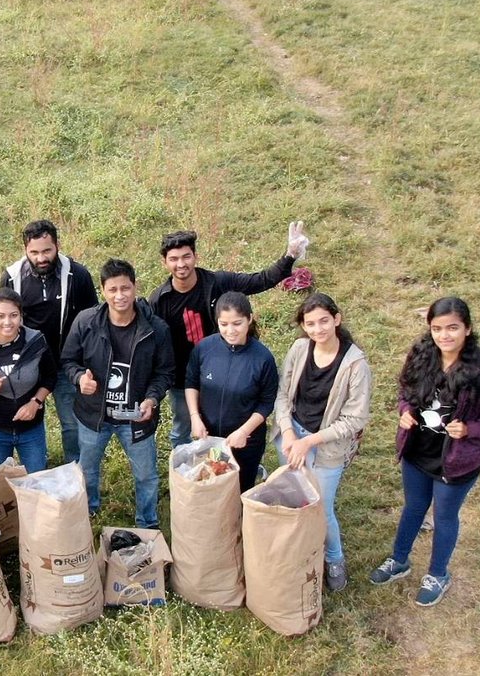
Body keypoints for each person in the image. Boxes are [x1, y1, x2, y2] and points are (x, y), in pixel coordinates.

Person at [369, 297, 480, 607]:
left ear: (467, 329)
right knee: (413, 507)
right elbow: (405, 389)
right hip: (417, 451)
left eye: (452, 328)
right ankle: (399, 560)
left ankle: (438, 574)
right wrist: (405, 410)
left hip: (456, 461)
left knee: (444, 515)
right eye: (437, 328)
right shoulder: (421, 355)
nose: (444, 336)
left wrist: (471, 429)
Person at [148, 222, 310, 449]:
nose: (181, 264)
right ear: (165, 262)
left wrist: (290, 256)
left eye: (186, 257)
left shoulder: (217, 282)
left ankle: (233, 466)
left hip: (225, 369)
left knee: (227, 423)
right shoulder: (160, 300)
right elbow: (155, 344)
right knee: (183, 428)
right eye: (174, 259)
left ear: (195, 256)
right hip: (185, 378)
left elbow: (260, 280)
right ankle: (186, 472)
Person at [61, 259, 174, 529]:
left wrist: (152, 398)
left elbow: (165, 372)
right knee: (87, 471)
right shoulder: (86, 322)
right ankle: (89, 512)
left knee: (146, 475)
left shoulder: (156, 329)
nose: (119, 295)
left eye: (125, 288)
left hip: (136, 416)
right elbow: (68, 360)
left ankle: (147, 522)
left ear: (135, 287)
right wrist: (79, 378)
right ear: (103, 290)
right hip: (93, 415)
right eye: (112, 289)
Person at [272, 292, 373, 592]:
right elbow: (282, 395)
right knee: (295, 497)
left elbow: (355, 419)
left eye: (324, 321)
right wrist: (289, 433)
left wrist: (310, 442)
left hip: (326, 448)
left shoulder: (355, 364)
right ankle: (303, 550)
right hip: (292, 439)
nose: (318, 329)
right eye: (310, 324)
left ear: (337, 319)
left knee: (320, 508)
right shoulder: (300, 349)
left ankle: (334, 557)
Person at [0, 219, 99, 465]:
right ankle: (30, 466)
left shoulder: (78, 275)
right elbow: (4, 317)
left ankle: (75, 469)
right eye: (34, 252)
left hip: (66, 362)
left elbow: (92, 320)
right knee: (24, 417)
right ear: (25, 250)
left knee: (70, 423)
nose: (41, 257)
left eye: (47, 251)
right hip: (27, 363)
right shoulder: (12, 277)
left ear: (57, 246)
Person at [184, 291, 279, 493]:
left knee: (240, 489)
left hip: (245, 441)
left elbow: (267, 402)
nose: (230, 331)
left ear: (249, 319)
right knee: (211, 481)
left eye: (237, 323)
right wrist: (194, 417)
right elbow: (191, 383)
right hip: (210, 437)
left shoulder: (262, 358)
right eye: (224, 324)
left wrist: (244, 431)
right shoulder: (204, 348)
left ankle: (239, 522)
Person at [0, 288, 56, 472]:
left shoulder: (36, 341)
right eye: (0, 316)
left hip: (32, 430)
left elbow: (50, 377)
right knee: (3, 483)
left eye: (13, 315)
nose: (7, 322)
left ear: (21, 316)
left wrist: (35, 402)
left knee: (35, 479)